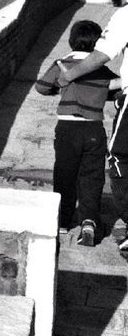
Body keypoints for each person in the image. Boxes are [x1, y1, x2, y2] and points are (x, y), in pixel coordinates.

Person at [37, 19, 117, 245]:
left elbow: (41, 87)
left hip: (67, 129)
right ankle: (89, 221)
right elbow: (112, 91)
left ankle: (62, 221)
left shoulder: (63, 62)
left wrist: (58, 88)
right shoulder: (101, 69)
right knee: (92, 177)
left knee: (65, 173)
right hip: (93, 129)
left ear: (72, 41)